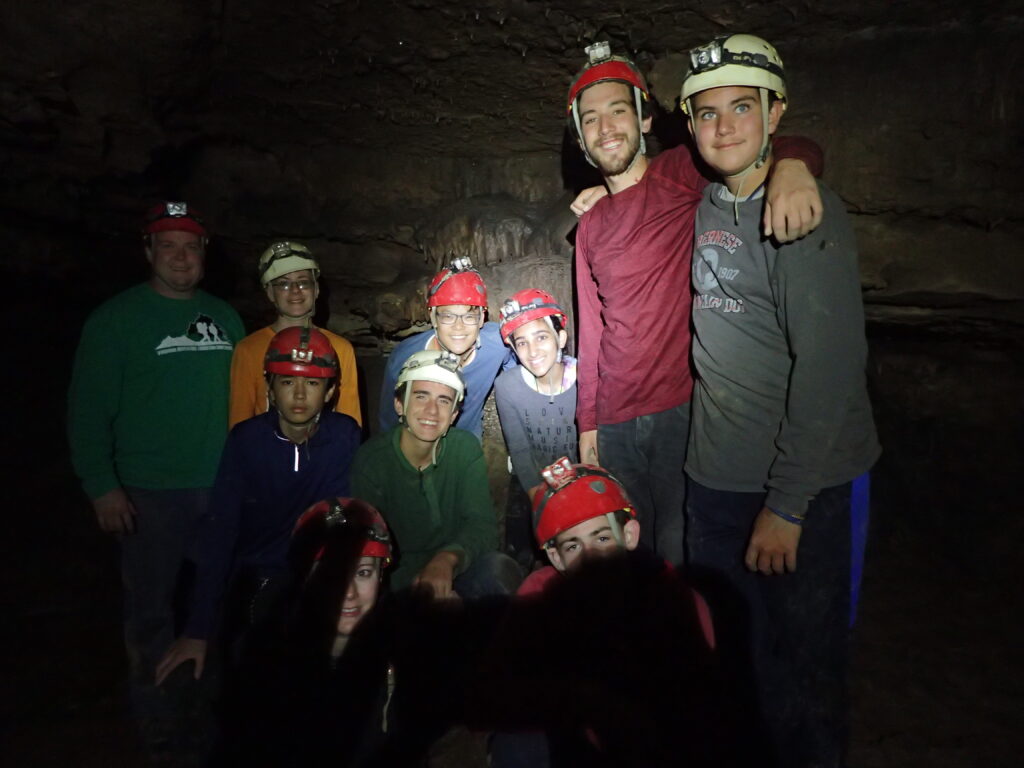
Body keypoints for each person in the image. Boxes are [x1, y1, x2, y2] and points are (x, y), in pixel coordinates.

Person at [679, 34, 880, 768]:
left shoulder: (805, 214)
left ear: (776, 112)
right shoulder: (705, 202)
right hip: (716, 480)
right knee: (736, 663)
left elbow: (831, 369)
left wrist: (788, 505)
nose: (724, 126)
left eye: (743, 107)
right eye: (707, 113)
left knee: (806, 672)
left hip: (803, 488)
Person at [566, 41, 824, 566]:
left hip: (681, 409)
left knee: (681, 553)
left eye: (618, 111)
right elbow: (591, 331)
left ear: (644, 119)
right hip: (614, 419)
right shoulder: (590, 225)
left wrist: (795, 166)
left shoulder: (680, 174)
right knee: (627, 559)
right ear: (581, 137)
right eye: (591, 119)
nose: (606, 128)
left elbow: (760, 146)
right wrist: (587, 424)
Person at [67, 201, 244, 754]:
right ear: (147, 251)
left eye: (190, 246)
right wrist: (102, 485)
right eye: (168, 245)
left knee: (215, 608)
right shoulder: (115, 320)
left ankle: (209, 721)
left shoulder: (226, 317)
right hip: (150, 495)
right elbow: (86, 410)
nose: (180, 256)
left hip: (219, 489)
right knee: (151, 617)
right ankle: (162, 733)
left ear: (204, 253)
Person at [155, 326, 361, 686]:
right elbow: (221, 532)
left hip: (306, 579)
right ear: (269, 387)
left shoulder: (344, 437)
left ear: (330, 392)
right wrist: (198, 629)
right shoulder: (247, 442)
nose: (299, 394)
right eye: (287, 382)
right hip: (247, 575)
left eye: (313, 383)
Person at [490, 457, 717, 768]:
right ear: (556, 557)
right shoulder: (538, 593)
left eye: (602, 538)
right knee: (517, 741)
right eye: (573, 546)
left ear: (629, 535)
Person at [355, 349, 522, 597]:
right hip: (396, 581)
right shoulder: (372, 461)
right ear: (399, 404)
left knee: (499, 571)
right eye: (421, 397)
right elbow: (366, 547)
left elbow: (482, 527)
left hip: (454, 570)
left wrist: (447, 559)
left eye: (444, 401)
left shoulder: (464, 449)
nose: (432, 411)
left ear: (454, 415)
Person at [228, 240, 361, 429]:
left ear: (316, 289)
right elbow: (239, 426)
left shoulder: (340, 348)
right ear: (270, 293)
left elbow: (350, 423)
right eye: (283, 284)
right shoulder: (249, 349)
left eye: (303, 282)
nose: (295, 291)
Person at [379, 257, 513, 440]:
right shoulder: (405, 357)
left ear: (482, 318)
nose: (459, 327)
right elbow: (388, 421)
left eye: (469, 317)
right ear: (433, 318)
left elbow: (516, 362)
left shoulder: (497, 343)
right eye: (448, 316)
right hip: (418, 443)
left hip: (465, 445)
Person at [494, 289, 578, 563]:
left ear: (560, 338)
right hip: (534, 481)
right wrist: (542, 504)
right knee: (522, 550)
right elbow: (519, 450)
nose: (532, 351)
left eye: (541, 337)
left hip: (581, 479)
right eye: (522, 342)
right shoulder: (508, 387)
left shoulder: (586, 378)